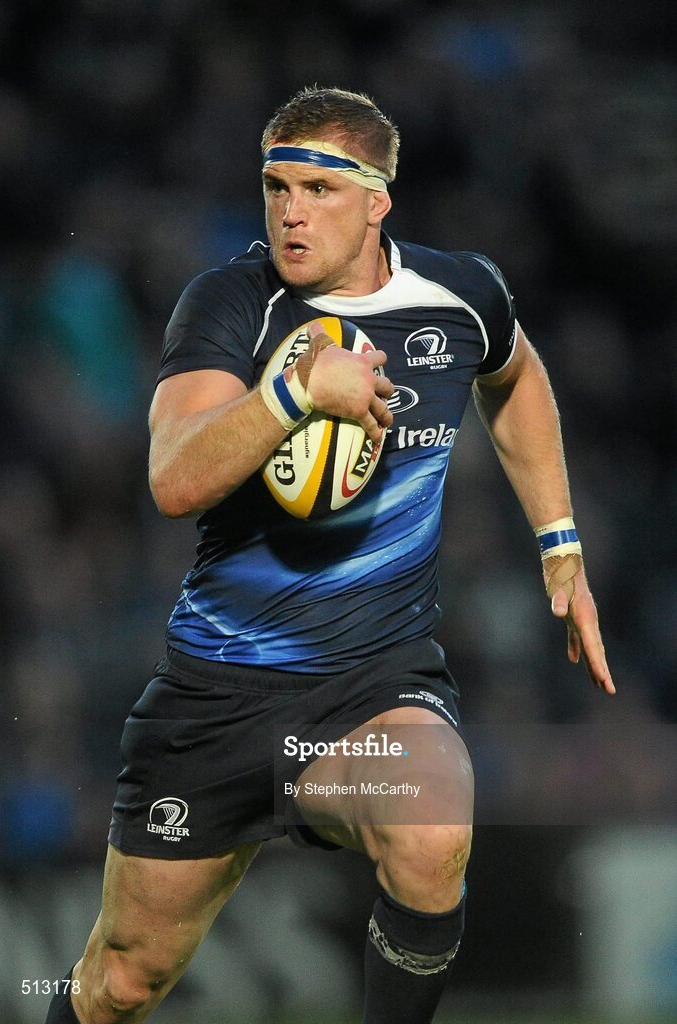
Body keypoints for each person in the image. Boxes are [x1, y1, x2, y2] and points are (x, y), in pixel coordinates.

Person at [46, 86, 614, 1024]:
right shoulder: (232, 303)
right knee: (121, 984)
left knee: (431, 829)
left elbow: (515, 379)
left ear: (379, 201)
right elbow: (173, 478)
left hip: (368, 695)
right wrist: (294, 393)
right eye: (275, 186)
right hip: (216, 697)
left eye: (318, 187)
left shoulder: (458, 293)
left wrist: (560, 546)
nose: (291, 210)